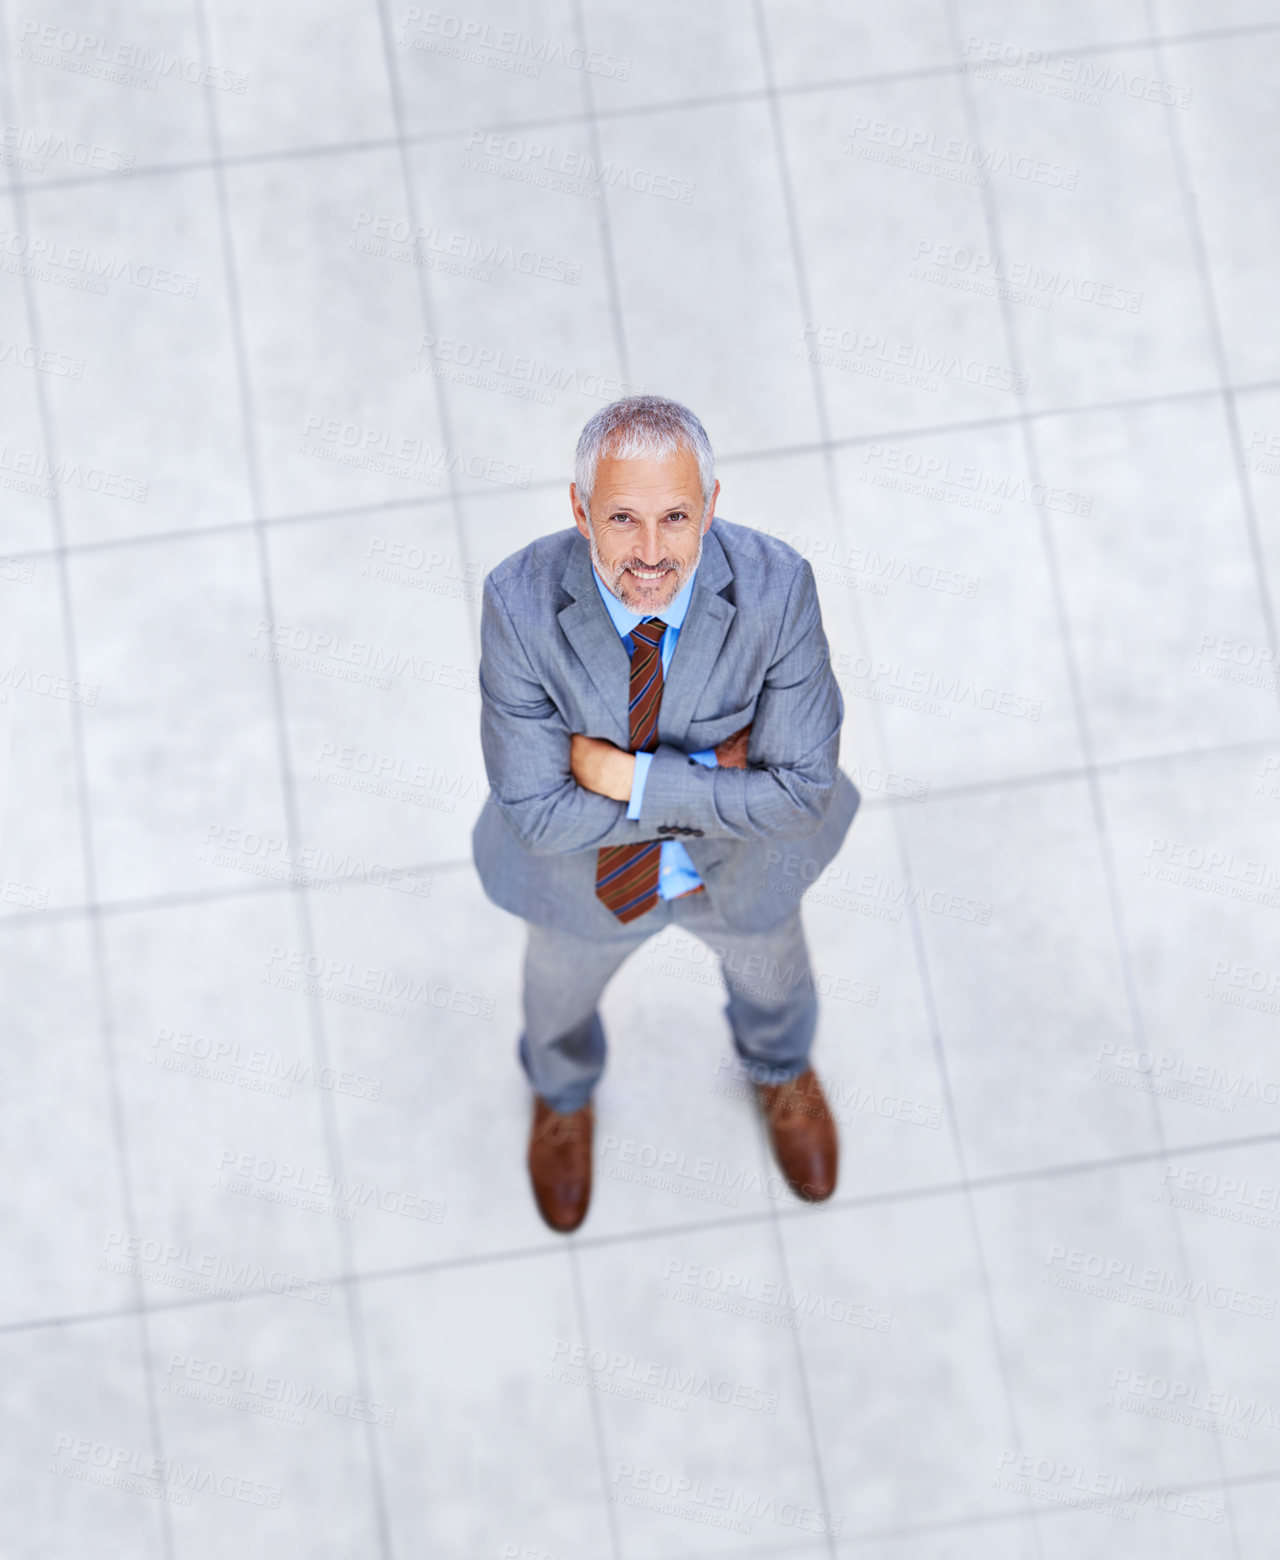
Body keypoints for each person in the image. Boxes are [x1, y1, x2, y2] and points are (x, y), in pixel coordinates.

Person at [471, 395, 860, 1232]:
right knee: (555, 1005)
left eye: (676, 516)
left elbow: (799, 794)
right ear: (580, 511)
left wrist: (622, 778)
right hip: (585, 881)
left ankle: (779, 1067)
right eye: (621, 518)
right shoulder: (517, 601)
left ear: (712, 507)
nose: (650, 555)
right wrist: (723, 780)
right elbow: (539, 815)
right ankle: (563, 1095)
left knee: (778, 986)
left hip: (741, 873)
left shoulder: (778, 588)